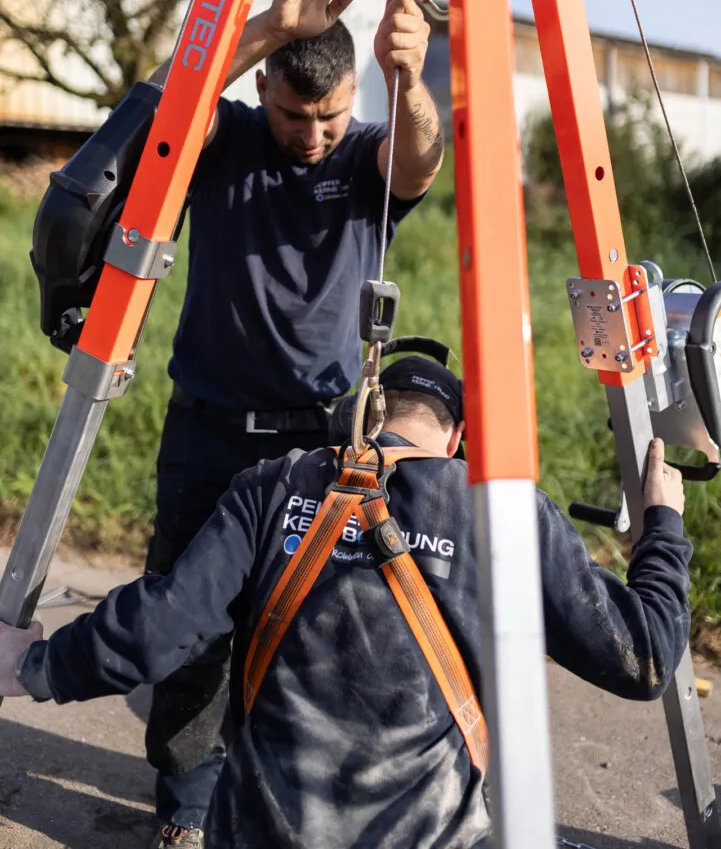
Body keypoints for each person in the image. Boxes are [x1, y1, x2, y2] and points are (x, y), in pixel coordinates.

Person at [0, 357, 692, 849]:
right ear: (457, 442)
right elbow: (644, 658)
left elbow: (162, 625)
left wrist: (34, 666)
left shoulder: (272, 485)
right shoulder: (504, 515)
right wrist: (661, 526)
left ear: (357, 423)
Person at [140, 0, 444, 843]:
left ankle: (274, 809)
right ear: (264, 87)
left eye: (330, 115)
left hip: (318, 443)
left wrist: (408, 79)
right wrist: (271, 25)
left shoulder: (362, 160)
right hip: (205, 435)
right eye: (291, 113)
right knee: (189, 633)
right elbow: (160, 109)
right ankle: (187, 815)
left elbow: (420, 157)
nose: (310, 133)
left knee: (305, 639)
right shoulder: (227, 135)